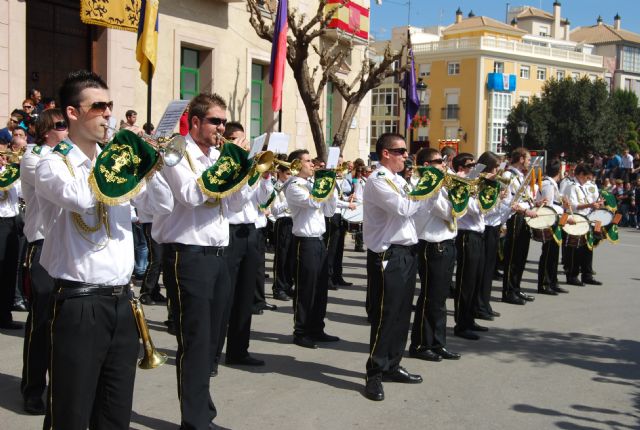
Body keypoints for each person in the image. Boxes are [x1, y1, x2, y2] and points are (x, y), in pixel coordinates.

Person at [35, 70, 173, 429]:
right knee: (71, 412)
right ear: (72, 113)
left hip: (121, 301)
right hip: (79, 304)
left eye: (110, 106)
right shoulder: (52, 163)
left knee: (115, 412)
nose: (108, 114)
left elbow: (161, 206)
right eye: (98, 107)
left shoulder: (117, 163)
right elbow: (81, 198)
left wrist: (149, 163)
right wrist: (120, 155)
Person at [152, 92, 251, 429]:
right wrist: (228, 166)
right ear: (195, 122)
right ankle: (194, 421)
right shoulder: (176, 153)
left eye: (224, 122)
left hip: (218, 255)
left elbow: (235, 208)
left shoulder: (215, 157)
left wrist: (244, 174)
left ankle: (203, 411)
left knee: (211, 342)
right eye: (214, 121)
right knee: (194, 341)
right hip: (188, 255)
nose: (221, 128)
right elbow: (191, 196)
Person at [363, 133, 425, 402]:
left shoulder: (400, 180)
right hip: (388, 254)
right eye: (400, 151)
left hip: (406, 252)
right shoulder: (377, 181)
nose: (405, 156)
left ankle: (392, 364)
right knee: (385, 315)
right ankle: (374, 372)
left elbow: (418, 210)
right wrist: (427, 190)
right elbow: (404, 208)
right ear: (385, 153)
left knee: (401, 314)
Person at [214, 121, 274, 374]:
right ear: (227, 141)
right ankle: (212, 355)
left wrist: (265, 176)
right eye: (239, 140)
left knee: (245, 295)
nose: (246, 145)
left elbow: (263, 199)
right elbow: (236, 202)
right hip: (229, 232)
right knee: (223, 297)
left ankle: (239, 351)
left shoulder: (250, 166)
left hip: (251, 231)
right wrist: (249, 172)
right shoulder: (224, 165)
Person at [19, 108, 67, 414]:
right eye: (62, 126)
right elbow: (59, 189)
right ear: (48, 130)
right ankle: (33, 388)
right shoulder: (34, 157)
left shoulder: (72, 154)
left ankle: (62, 387)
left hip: (67, 248)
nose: (67, 130)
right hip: (42, 244)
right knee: (41, 323)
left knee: (65, 324)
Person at [409, 147, 460, 362]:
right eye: (439, 161)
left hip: (446, 242)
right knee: (431, 298)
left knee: (440, 299)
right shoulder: (423, 185)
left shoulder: (441, 185)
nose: (444, 164)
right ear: (427, 166)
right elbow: (448, 211)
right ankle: (421, 344)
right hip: (432, 245)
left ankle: (438, 343)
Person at [285, 148, 338, 349]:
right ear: (297, 165)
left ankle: (317, 328)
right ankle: (301, 331)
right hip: (304, 243)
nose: (312, 164)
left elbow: (329, 210)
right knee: (306, 288)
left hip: (319, 241)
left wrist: (331, 189)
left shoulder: (311, 184)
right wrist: (325, 184)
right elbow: (313, 202)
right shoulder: (294, 186)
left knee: (320, 288)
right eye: (307, 161)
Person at [452, 153, 488, 340]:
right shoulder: (460, 183)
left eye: (475, 164)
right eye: (470, 165)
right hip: (466, 235)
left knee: (475, 279)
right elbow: (475, 208)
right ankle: (461, 323)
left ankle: (470, 318)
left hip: (478, 234)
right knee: (465, 281)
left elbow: (487, 211)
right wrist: (484, 196)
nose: (474, 168)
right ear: (460, 168)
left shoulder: (473, 183)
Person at [476, 151, 509, 321]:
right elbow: (485, 211)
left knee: (488, 270)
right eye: (496, 167)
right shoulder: (481, 180)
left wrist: (503, 201)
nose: (498, 171)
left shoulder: (492, 182)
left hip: (493, 227)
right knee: (482, 271)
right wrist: (498, 200)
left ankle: (485, 303)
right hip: (485, 228)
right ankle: (479, 305)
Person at [502, 148, 537, 305]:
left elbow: (524, 197)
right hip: (515, 217)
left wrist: (534, 204)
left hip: (524, 216)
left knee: (521, 256)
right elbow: (509, 201)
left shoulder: (522, 176)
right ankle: (508, 291)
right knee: (513, 256)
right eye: (528, 159)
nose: (529, 162)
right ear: (521, 159)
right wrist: (525, 210)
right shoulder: (508, 175)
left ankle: (516, 288)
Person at [565, 164, 603, 286]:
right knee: (575, 249)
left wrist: (599, 204)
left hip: (589, 219)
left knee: (588, 248)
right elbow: (572, 206)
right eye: (587, 177)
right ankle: (572, 275)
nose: (588, 179)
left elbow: (596, 200)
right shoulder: (571, 186)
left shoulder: (590, 186)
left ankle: (587, 274)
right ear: (580, 174)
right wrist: (590, 205)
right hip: (576, 219)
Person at [536, 159, 568, 295]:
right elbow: (548, 206)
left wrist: (563, 201)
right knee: (548, 254)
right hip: (550, 221)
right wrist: (561, 209)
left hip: (555, 221)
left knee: (554, 254)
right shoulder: (548, 184)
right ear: (558, 171)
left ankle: (553, 282)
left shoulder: (552, 183)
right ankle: (545, 283)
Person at [324, 155, 355, 290]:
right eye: (339, 163)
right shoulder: (327, 179)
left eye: (342, 163)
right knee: (331, 249)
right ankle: (328, 278)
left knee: (339, 248)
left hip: (339, 216)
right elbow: (333, 201)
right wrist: (347, 205)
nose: (341, 166)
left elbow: (339, 197)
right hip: (332, 216)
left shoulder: (338, 179)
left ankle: (338, 275)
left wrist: (349, 198)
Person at [270, 160, 295, 301]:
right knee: (282, 257)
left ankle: (287, 286)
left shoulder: (292, 186)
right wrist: (289, 200)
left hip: (293, 222)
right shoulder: (275, 188)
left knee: (291, 258)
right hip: (282, 222)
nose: (290, 176)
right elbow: (274, 210)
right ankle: (278, 288)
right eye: (287, 173)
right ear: (279, 172)